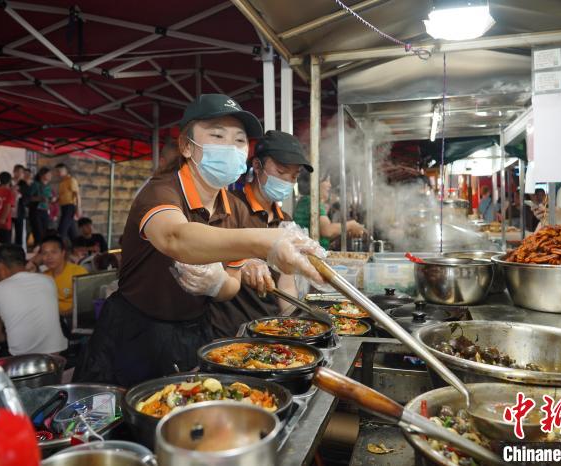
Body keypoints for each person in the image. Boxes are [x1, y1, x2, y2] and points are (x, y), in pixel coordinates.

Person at [73, 94, 325, 387]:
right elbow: (175, 236)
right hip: (135, 331)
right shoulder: (161, 192)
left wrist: (217, 284)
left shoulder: (234, 207)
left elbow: (232, 283)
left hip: (193, 331)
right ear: (186, 146)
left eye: (239, 140)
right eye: (217, 135)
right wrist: (267, 241)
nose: (230, 148)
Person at [209, 130, 312, 338]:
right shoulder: (228, 206)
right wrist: (242, 261)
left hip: (270, 330)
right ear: (257, 166)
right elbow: (205, 261)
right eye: (282, 171)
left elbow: (286, 283)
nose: (287, 181)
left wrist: (294, 326)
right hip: (229, 332)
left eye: (294, 175)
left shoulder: (286, 221)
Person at [0, 244, 67, 356]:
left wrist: (13, 335)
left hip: (22, 358)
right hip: (57, 353)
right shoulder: (48, 280)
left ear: (1, 266)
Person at [294, 171, 365, 249]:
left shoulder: (307, 201)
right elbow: (326, 231)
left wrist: (346, 231)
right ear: (314, 182)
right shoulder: (311, 201)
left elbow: (321, 235)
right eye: (327, 180)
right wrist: (351, 224)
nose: (330, 185)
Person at [40, 235, 88, 323]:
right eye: (44, 253)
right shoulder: (43, 276)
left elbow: (84, 305)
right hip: (50, 320)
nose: (49, 257)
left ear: (63, 253)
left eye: (53, 252)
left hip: (73, 321)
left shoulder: (78, 273)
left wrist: (61, 314)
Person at [29, 167, 53, 247]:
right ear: (42, 175)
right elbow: (28, 197)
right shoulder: (35, 184)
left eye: (50, 174)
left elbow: (49, 198)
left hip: (45, 210)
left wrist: (52, 199)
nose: (50, 176)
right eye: (48, 174)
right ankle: (38, 250)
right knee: (38, 232)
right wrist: (40, 198)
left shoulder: (49, 187)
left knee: (45, 232)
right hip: (36, 210)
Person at [55, 163, 80, 241]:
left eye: (60, 171)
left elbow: (77, 195)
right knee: (71, 232)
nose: (58, 173)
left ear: (66, 171)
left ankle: (59, 248)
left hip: (70, 206)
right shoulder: (62, 183)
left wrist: (78, 208)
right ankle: (77, 246)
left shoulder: (71, 180)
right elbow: (62, 196)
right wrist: (54, 201)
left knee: (61, 230)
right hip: (64, 207)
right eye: (57, 171)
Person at [0, 172, 15, 244]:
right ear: (10, 180)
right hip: (5, 222)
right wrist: (3, 218)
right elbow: (8, 206)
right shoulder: (9, 192)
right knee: (6, 243)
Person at [11, 164, 30, 249]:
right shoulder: (8, 182)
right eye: (17, 171)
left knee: (20, 233)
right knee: (8, 233)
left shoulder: (24, 184)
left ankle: (19, 250)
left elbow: (27, 198)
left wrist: (20, 193)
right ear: (14, 172)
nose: (19, 174)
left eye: (21, 172)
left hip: (19, 212)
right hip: (8, 212)